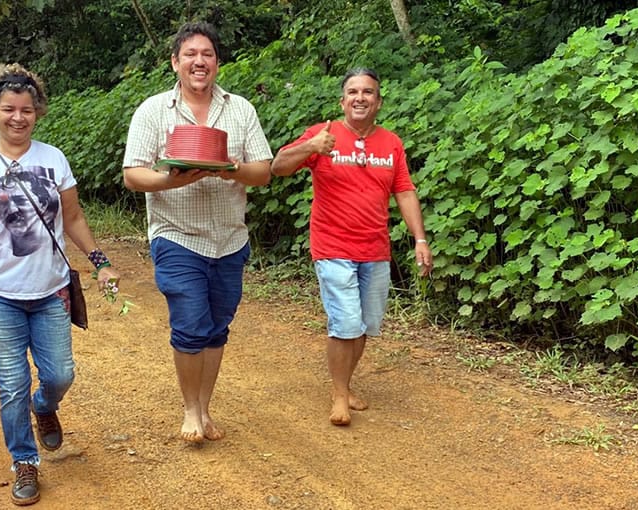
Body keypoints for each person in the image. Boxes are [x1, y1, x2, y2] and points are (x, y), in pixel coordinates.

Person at [0, 63, 120, 506]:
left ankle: (45, 407)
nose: (18, 117)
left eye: (27, 110)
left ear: (38, 113)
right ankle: (23, 462)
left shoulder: (53, 159)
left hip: (50, 289)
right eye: (9, 109)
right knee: (11, 382)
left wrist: (101, 263)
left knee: (59, 374)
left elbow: (72, 218)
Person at [122, 21, 272, 443]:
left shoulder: (240, 109)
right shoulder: (153, 111)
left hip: (230, 237)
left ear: (218, 64)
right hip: (176, 235)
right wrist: (174, 180)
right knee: (190, 324)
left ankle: (204, 408)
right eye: (190, 54)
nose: (199, 61)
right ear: (175, 63)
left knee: (216, 327)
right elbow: (133, 175)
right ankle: (190, 409)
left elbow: (263, 171)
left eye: (207, 54)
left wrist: (231, 169)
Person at [270, 67, 433, 426]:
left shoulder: (391, 143)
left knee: (363, 327)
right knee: (345, 323)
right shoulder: (322, 134)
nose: (361, 98)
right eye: (353, 92)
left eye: (368, 92)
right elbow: (277, 167)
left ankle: (345, 383)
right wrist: (310, 147)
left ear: (378, 101)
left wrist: (420, 239)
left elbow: (404, 191)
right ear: (342, 100)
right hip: (332, 246)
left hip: (375, 249)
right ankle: (339, 394)